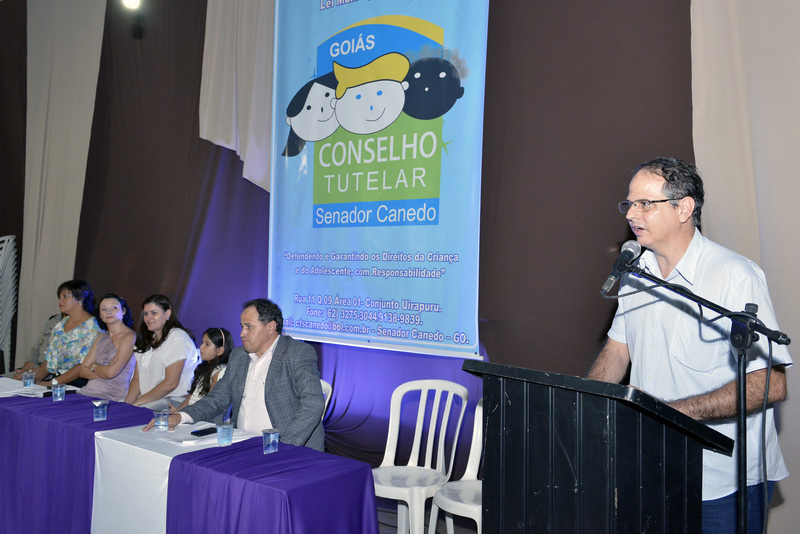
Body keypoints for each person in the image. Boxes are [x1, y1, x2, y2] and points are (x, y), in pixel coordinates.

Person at [587, 157, 792, 533]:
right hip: (652, 466)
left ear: (684, 208)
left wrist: (668, 414)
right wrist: (587, 408)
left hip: (722, 480)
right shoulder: (637, 273)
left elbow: (770, 384)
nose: (631, 213)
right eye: (629, 203)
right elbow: (618, 350)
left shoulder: (734, 276)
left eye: (645, 203)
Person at [143, 298, 325, 451]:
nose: (242, 333)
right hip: (242, 444)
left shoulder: (297, 353)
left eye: (249, 327)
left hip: (286, 448)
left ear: (270, 327)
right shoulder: (239, 356)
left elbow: (313, 404)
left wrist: (281, 446)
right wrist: (181, 416)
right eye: (242, 326)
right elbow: (217, 399)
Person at [124, 294, 198, 409]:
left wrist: (138, 403)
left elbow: (170, 384)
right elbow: (137, 379)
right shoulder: (146, 339)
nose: (148, 318)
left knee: (136, 412)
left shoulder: (178, 338)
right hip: (147, 400)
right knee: (116, 409)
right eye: (145, 314)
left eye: (154, 313)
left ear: (167, 314)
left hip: (174, 402)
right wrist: (126, 405)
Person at [33, 280, 100, 386]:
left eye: (65, 296)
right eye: (59, 297)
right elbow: (50, 361)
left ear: (80, 298)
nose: (60, 301)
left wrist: (51, 383)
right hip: (57, 382)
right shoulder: (60, 325)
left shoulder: (93, 327)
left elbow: (82, 366)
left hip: (80, 385)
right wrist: (31, 380)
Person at [73, 294, 137, 402]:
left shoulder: (129, 337)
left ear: (123, 311)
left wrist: (93, 366)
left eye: (114, 308)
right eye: (104, 309)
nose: (108, 312)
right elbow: (82, 371)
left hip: (110, 397)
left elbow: (110, 373)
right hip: (87, 392)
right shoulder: (102, 337)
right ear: (100, 315)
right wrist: (102, 370)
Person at [172, 327, 232, 411]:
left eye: (207, 344)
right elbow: (191, 397)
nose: (201, 347)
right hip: (191, 413)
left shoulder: (218, 373)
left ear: (220, 350)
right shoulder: (203, 368)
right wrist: (178, 411)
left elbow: (210, 405)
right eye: (202, 342)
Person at [9, 313, 61, 379]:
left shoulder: (71, 327)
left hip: (52, 377)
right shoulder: (53, 320)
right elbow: (36, 351)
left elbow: (55, 364)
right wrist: (25, 370)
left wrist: (30, 374)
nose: (60, 303)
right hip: (36, 371)